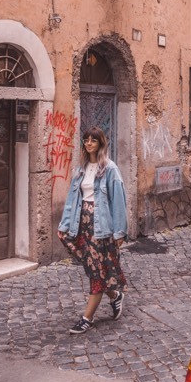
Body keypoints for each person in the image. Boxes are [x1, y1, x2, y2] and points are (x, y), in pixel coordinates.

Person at [58, 126, 128, 334]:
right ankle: (115, 297)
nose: (89, 143)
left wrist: (119, 232)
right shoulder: (81, 168)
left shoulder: (110, 169)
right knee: (94, 269)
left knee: (97, 272)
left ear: (101, 143)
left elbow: (118, 201)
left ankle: (87, 318)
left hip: (101, 228)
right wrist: (64, 224)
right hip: (82, 224)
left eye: (93, 140)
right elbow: (72, 199)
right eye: (86, 140)